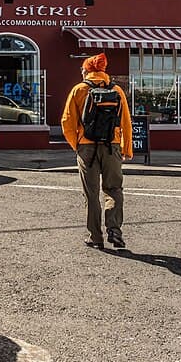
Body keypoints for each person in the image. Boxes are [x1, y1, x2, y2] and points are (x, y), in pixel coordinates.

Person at [61, 53, 133, 250]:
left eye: (83, 69)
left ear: (87, 70)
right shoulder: (117, 90)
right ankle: (114, 229)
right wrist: (127, 149)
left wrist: (77, 145)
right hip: (112, 145)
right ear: (103, 71)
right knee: (114, 189)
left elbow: (67, 122)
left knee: (91, 193)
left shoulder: (79, 90)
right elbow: (126, 122)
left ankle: (95, 236)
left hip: (87, 147)